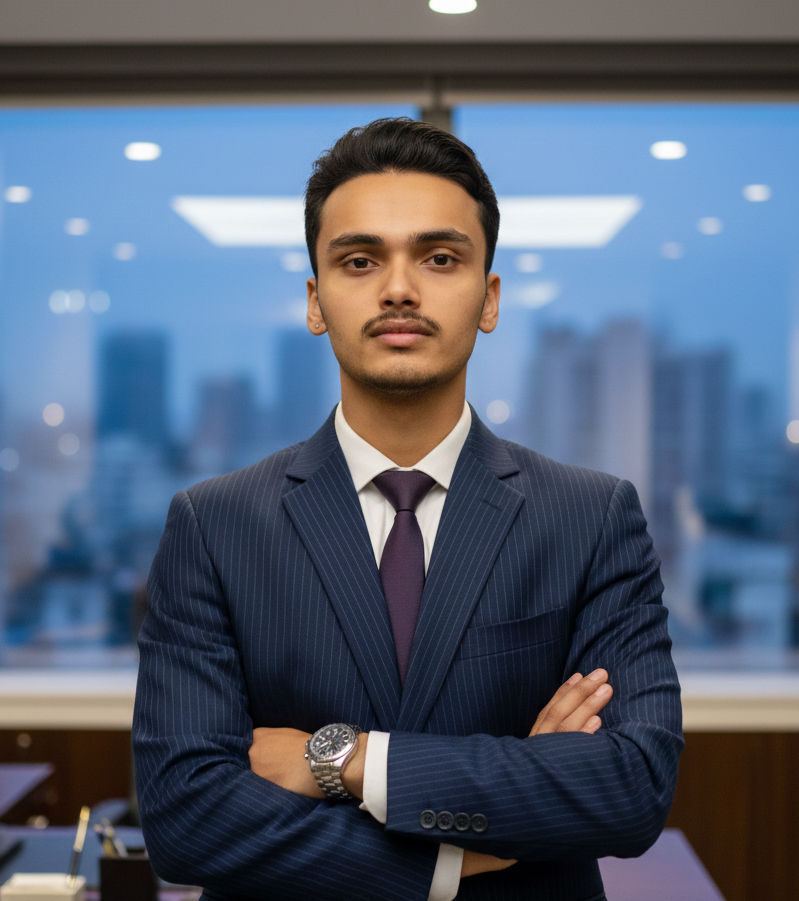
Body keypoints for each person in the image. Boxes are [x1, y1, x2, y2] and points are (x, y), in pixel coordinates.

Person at [133, 117, 683, 901]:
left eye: (439, 257)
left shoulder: (591, 517)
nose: (398, 287)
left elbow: (628, 787)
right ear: (316, 300)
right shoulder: (213, 525)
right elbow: (185, 816)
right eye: (359, 260)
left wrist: (345, 758)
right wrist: (449, 858)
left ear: (488, 298)